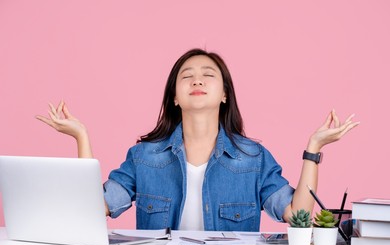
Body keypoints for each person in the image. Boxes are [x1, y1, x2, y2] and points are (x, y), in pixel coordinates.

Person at [36, 48, 359, 231]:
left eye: (209, 74)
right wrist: (81, 137)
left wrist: (313, 149)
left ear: (224, 94)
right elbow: (91, 209)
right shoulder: (143, 157)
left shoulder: (253, 158)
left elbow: (297, 215)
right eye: (187, 76)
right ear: (174, 97)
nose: (198, 80)